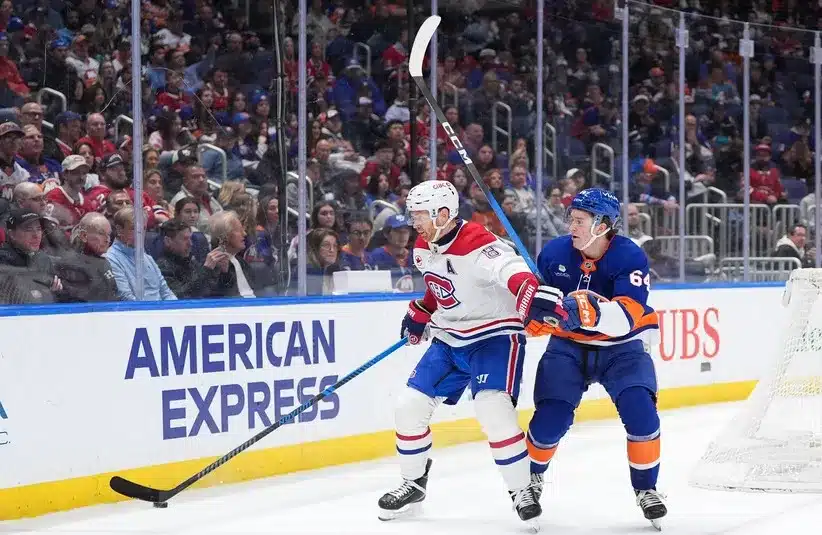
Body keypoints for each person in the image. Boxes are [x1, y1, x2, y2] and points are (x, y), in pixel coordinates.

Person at [377, 180, 548, 528]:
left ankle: (521, 489)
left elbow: (513, 272)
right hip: (449, 338)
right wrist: (422, 312)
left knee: (492, 407)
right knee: (408, 406)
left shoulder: (479, 243)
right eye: (413, 215)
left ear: (443, 214)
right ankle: (413, 483)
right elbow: (441, 287)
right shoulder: (424, 245)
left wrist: (531, 294)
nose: (414, 222)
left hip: (494, 337)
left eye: (420, 215)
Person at [522, 188, 666, 529]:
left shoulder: (629, 257)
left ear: (602, 225)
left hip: (623, 349)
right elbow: (537, 300)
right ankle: (530, 480)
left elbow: (627, 316)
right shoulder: (555, 252)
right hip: (568, 348)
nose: (571, 225)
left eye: (579, 220)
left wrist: (588, 312)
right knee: (549, 419)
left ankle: (647, 489)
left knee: (641, 413)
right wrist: (534, 312)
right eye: (571, 219)